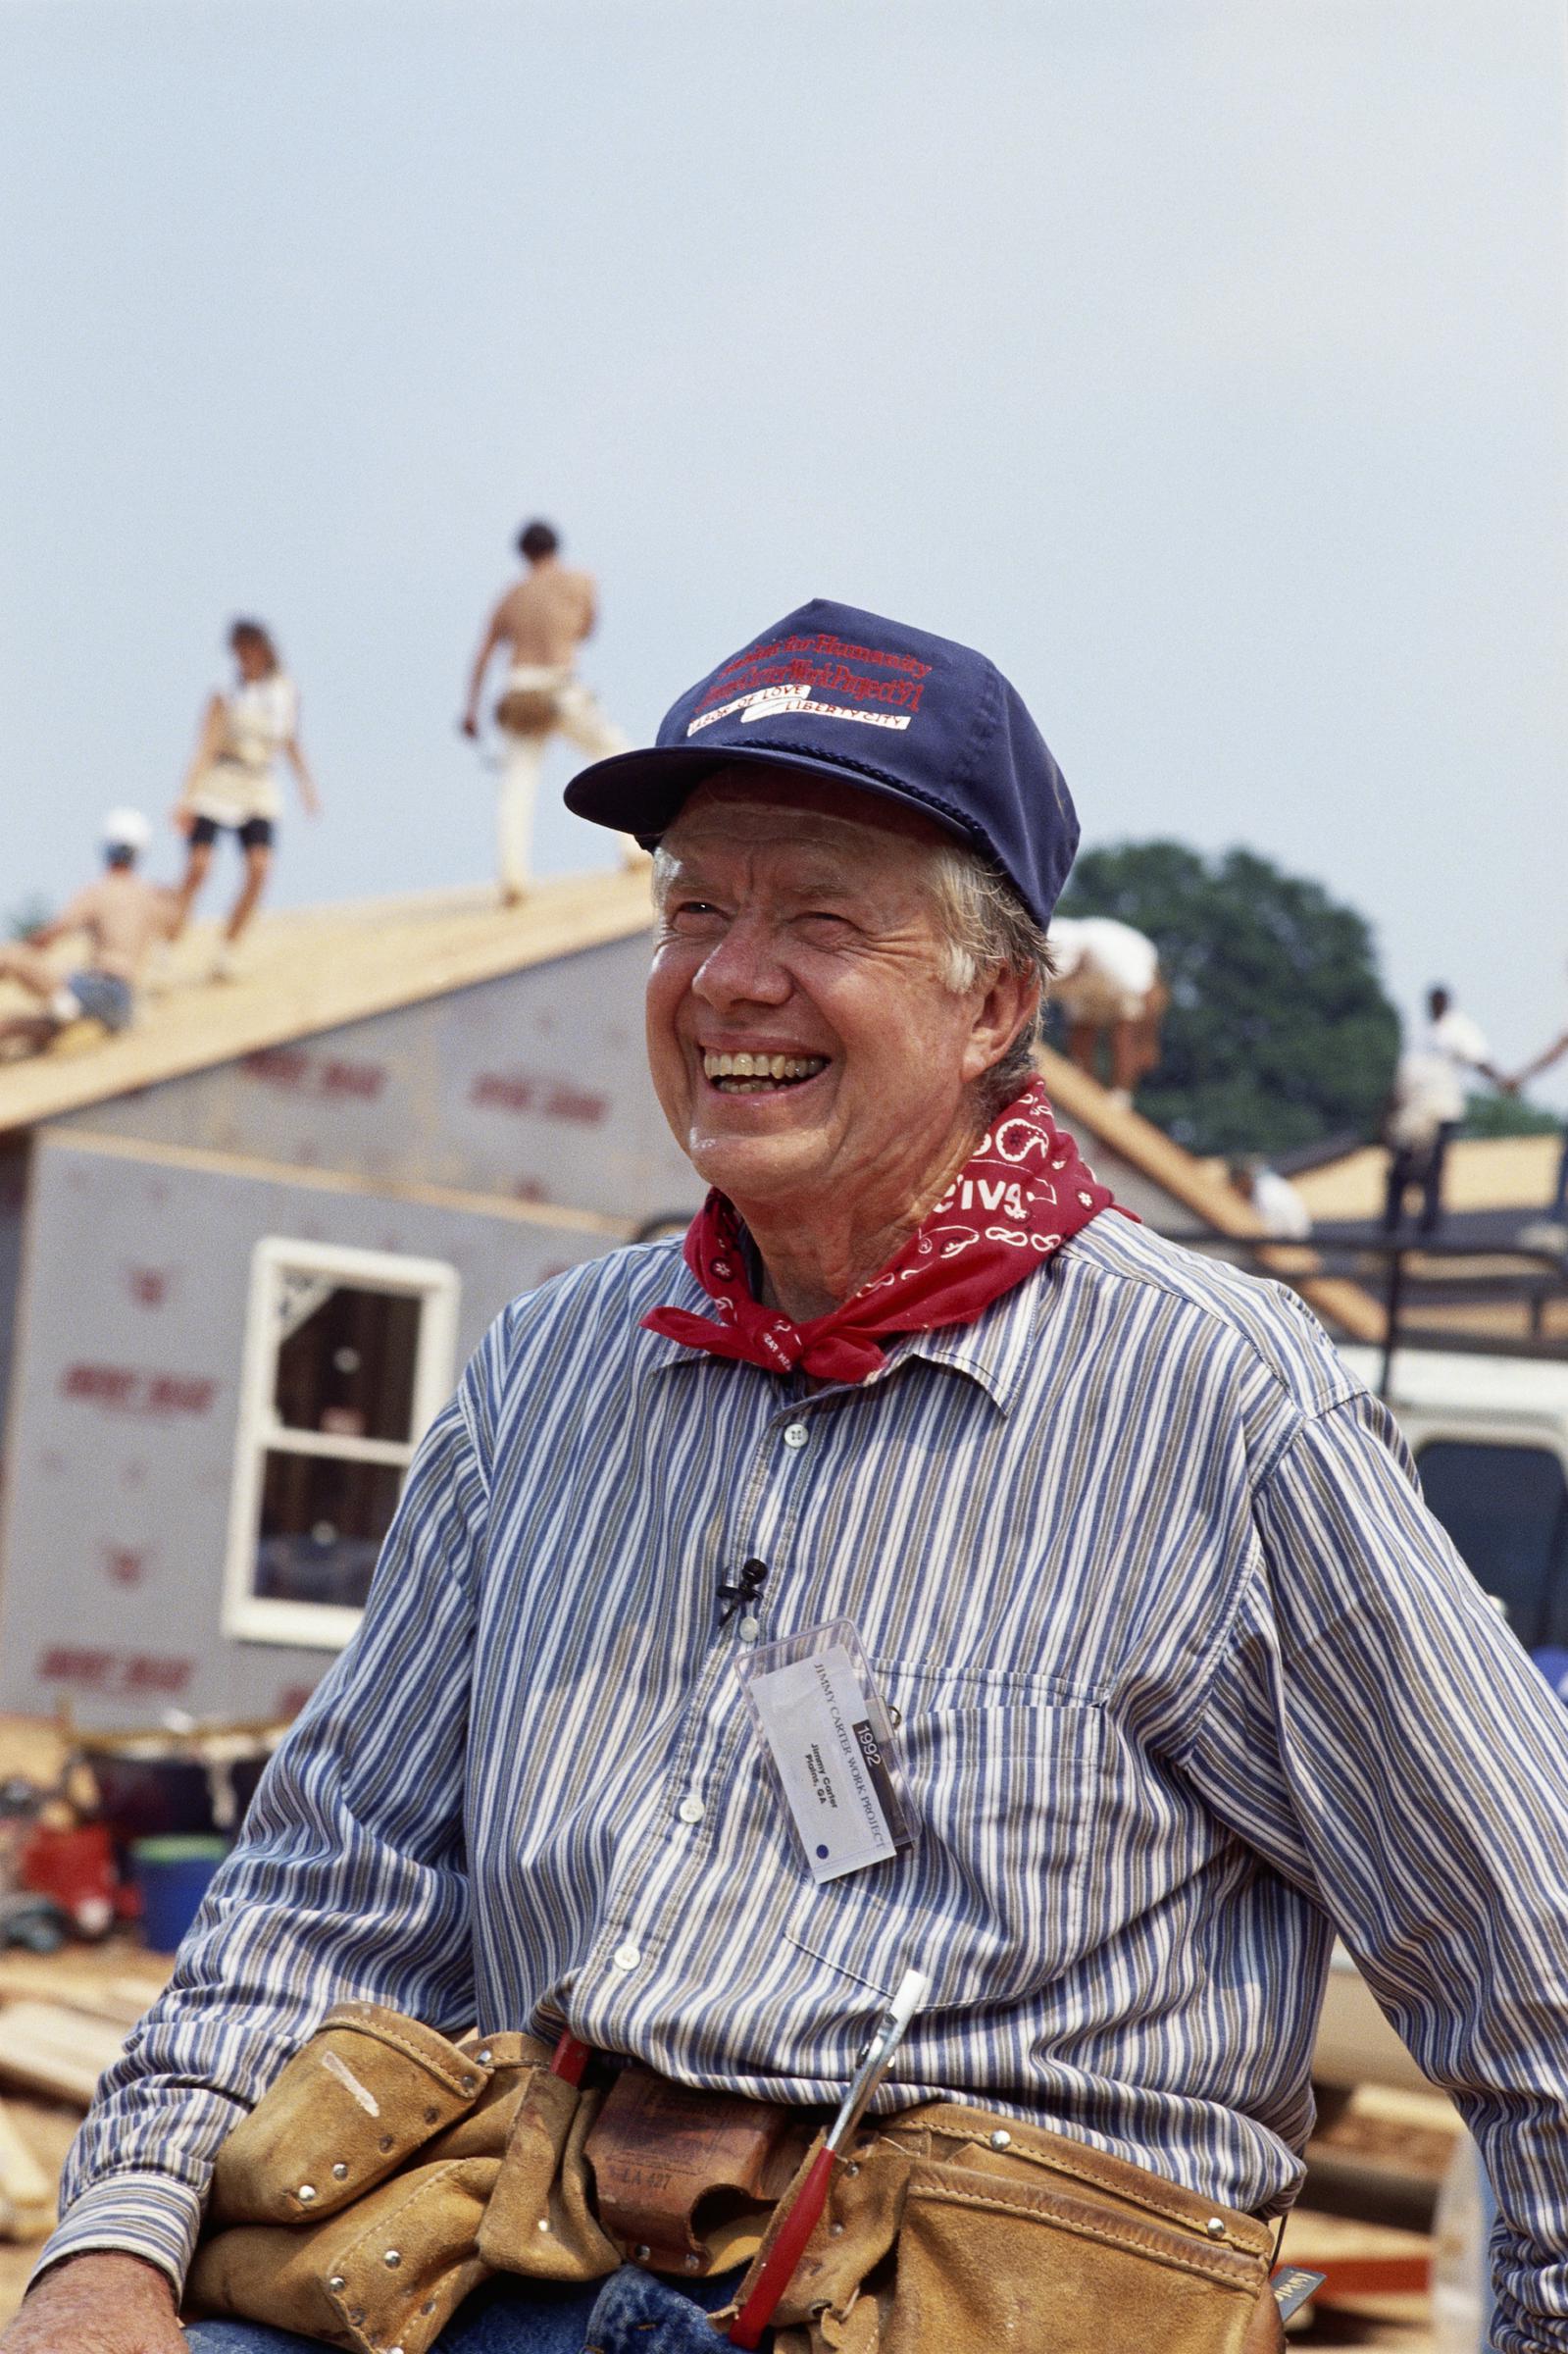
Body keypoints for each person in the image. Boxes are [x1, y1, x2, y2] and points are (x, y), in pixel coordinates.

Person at [17, 600, 1568, 2354]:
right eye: (693, 910)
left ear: (993, 1003)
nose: (728, 978)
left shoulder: (1214, 1402)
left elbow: (1535, 1956)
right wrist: (112, 2249)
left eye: (819, 919)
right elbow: (328, 1889)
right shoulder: (549, 1376)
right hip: (522, 2273)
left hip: (971, 2309)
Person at [460, 519, 639, 901]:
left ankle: (512, 877)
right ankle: (634, 846)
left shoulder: (511, 595)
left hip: (519, 690)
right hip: (559, 687)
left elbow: (483, 653)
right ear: (557, 545)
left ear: (523, 553)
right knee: (614, 755)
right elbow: (585, 630)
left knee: (517, 783)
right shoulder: (580, 581)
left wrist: (471, 709)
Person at [171, 620, 320, 980]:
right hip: (221, 780)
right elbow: (205, 746)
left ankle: (227, 950)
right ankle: (168, 941)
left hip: (259, 783)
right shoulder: (224, 691)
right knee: (199, 867)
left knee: (259, 868)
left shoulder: (284, 692)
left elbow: (291, 741)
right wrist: (186, 797)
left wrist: (306, 785)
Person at [0, 809, 177, 1058]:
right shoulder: (150, 895)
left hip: (96, 989)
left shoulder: (99, 891)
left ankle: (65, 1007)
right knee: (22, 1025)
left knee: (11, 957)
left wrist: (29, 947)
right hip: (122, 1006)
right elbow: (174, 925)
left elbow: (56, 931)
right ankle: (66, 1011)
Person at [1382, 986, 1504, 1238]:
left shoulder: (1458, 1029)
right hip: (1411, 1114)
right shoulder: (1421, 1032)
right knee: (1399, 1171)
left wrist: (1502, 1081)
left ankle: (1429, 1227)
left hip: (1440, 1112)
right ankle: (1392, 1226)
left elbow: (1478, 1058)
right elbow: (1406, 1073)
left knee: (1432, 1171)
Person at [1045, 912, 1166, 1105]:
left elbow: (1148, 1003)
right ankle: (1083, 1084)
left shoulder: (1127, 970)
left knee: (1123, 1033)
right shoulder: (1059, 940)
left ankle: (1121, 1095)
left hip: (1116, 970)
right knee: (1082, 1029)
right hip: (1085, 967)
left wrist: (1148, 1042)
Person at [1229, 1155, 1312, 1241]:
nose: (1238, 1192)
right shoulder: (1266, 1184)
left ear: (1243, 1179)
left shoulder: (1265, 1192)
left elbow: (1271, 1231)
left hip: (1293, 1237)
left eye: (1237, 1186)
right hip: (1296, 1233)